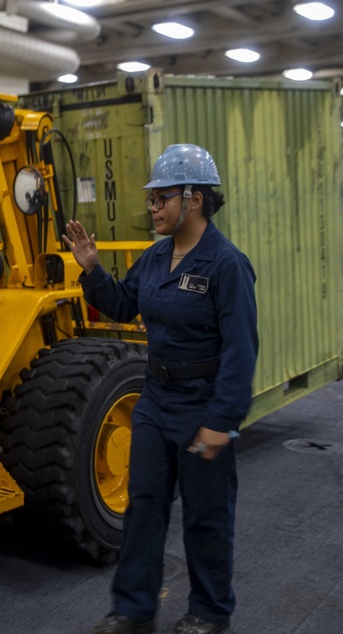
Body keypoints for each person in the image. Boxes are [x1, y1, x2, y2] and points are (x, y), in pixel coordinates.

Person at [63, 144, 259, 634]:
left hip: (202, 404)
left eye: (162, 198)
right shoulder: (153, 259)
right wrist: (91, 268)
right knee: (143, 508)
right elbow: (122, 304)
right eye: (152, 200)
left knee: (206, 517)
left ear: (194, 200)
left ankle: (210, 612)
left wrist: (221, 422)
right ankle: (132, 608)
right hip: (154, 400)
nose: (153, 208)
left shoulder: (226, 265)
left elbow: (241, 352)